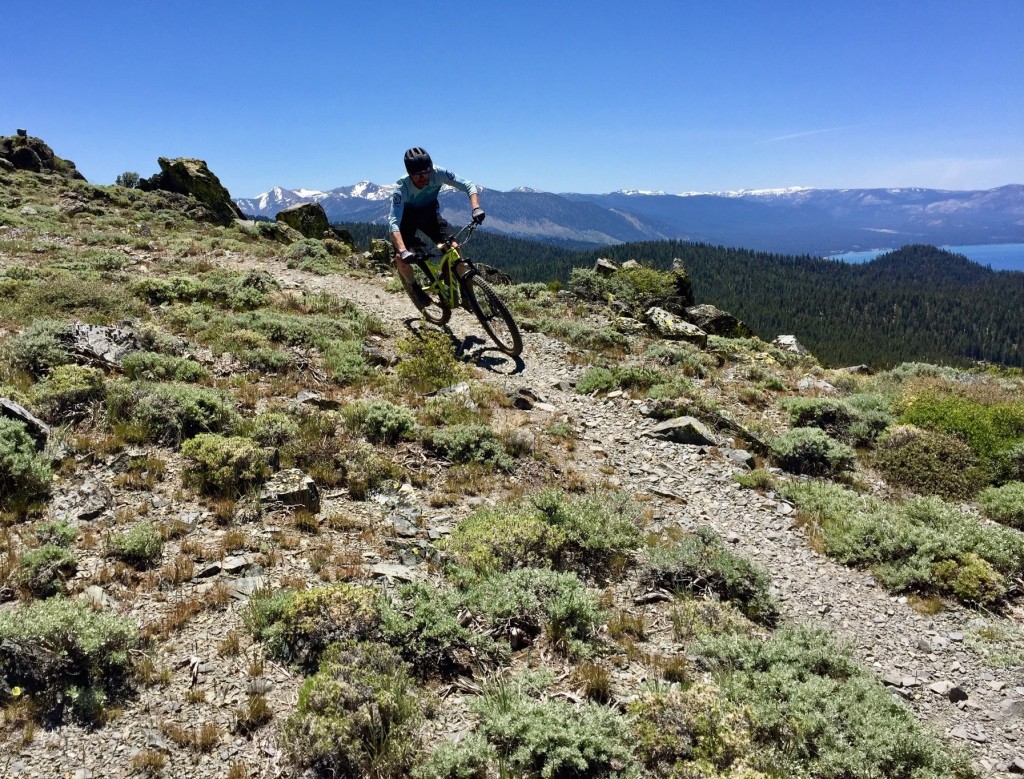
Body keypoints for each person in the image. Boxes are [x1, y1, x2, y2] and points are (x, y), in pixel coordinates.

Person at [388, 147, 485, 308]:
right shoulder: (401, 187)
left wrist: (476, 208)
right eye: (416, 174)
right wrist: (403, 250)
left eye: (425, 173)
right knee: (400, 258)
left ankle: (466, 292)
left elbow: (468, 185)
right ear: (409, 173)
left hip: (430, 216)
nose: (422, 177)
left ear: (430, 169)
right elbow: (393, 222)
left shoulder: (438, 173)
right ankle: (414, 288)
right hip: (407, 220)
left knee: (454, 249)